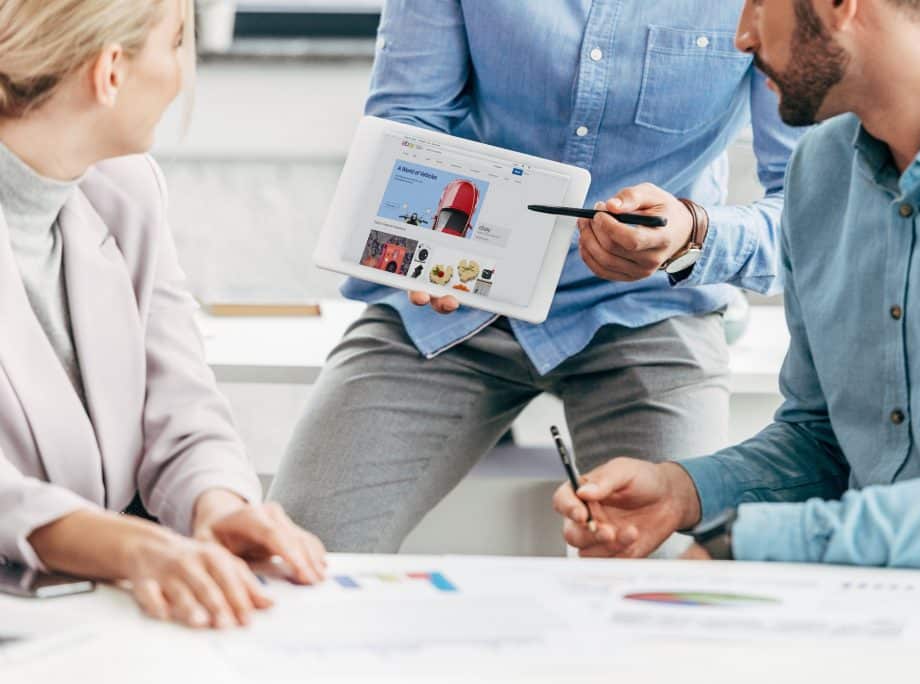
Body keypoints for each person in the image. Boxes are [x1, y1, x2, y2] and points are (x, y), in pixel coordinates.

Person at [269, 0, 804, 552]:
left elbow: (812, 203)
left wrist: (695, 234)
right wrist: (420, 231)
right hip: (457, 301)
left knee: (662, 581)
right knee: (292, 553)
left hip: (648, 312)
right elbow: (408, 124)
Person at [554, 0, 920, 577]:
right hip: (874, 618)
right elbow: (824, 442)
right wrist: (682, 491)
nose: (742, 37)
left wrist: (748, 542)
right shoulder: (819, 172)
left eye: (755, 2)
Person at [0, 0, 327, 629]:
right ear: (110, 72)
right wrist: (128, 546)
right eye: (176, 41)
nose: (182, 74)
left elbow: (182, 403)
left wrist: (217, 502)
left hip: (78, 612)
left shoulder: (125, 189)